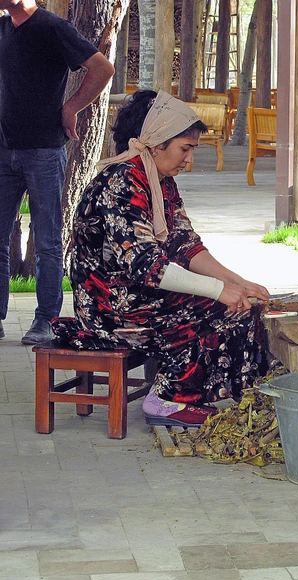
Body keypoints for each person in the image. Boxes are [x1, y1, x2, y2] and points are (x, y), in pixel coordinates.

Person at [66, 90, 271, 427]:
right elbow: (147, 266)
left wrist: (238, 282)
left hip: (140, 294)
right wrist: (220, 291)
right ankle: (168, 398)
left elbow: (186, 245)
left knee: (240, 301)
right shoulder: (121, 183)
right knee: (219, 306)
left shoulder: (159, 180)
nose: (188, 160)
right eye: (185, 149)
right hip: (110, 308)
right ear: (156, 143)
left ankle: (207, 394)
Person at [0, 0, 114, 344]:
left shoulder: (52, 27)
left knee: (48, 240)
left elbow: (102, 68)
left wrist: (71, 107)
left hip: (44, 151)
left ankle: (46, 320)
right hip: (4, 150)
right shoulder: (3, 28)